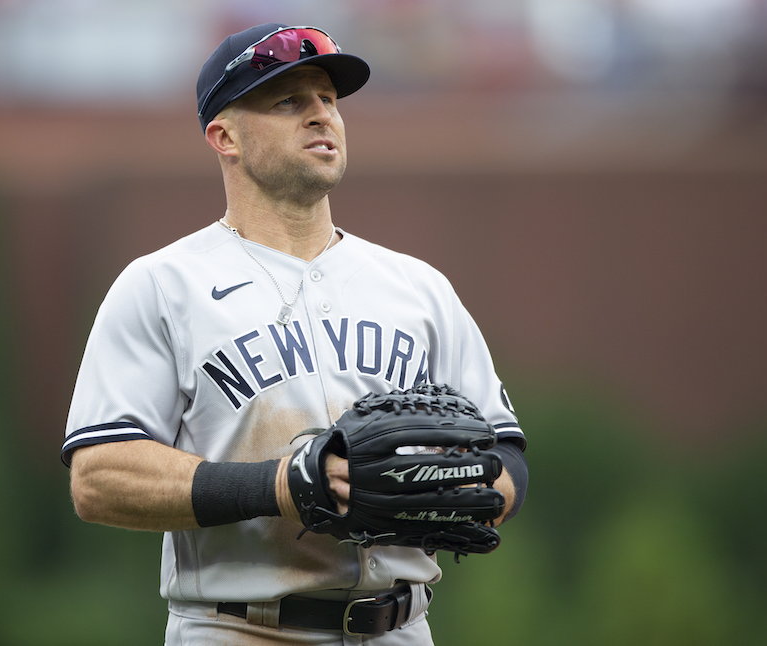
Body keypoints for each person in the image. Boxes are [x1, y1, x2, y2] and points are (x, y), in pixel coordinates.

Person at [62, 23, 528, 645]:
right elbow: (98, 477)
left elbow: (507, 455)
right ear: (224, 136)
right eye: (288, 101)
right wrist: (282, 484)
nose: (320, 116)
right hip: (237, 628)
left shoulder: (419, 288)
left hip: (401, 627)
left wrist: (464, 489)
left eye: (328, 100)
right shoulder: (162, 286)